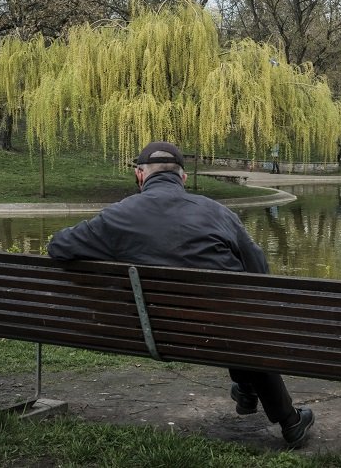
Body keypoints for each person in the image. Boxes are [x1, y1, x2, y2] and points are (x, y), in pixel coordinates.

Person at [47, 141, 314, 448]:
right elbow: (258, 271)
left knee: (231, 318)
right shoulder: (217, 212)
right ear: (183, 178)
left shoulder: (116, 217)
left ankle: (246, 388)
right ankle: (288, 420)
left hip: (153, 332)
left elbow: (59, 246)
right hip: (225, 332)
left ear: (139, 175)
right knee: (239, 319)